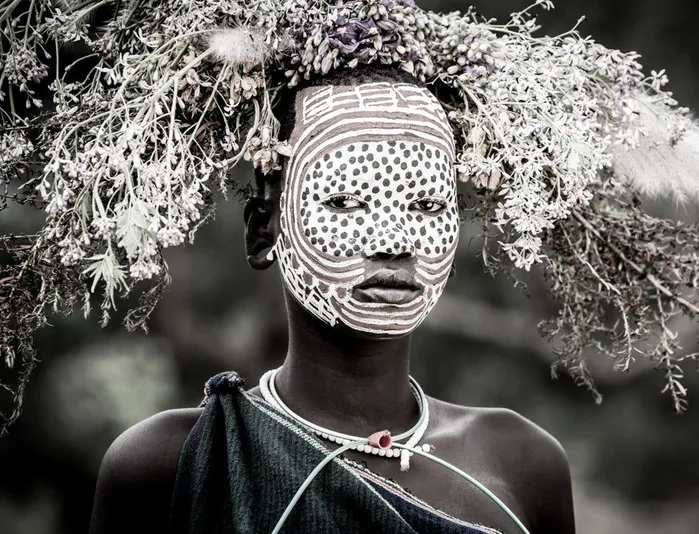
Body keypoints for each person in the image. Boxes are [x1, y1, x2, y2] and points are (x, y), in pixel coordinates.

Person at [88, 68, 576, 534]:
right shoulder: (170, 462)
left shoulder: (522, 462)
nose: (395, 239)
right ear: (264, 231)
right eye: (345, 202)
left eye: (426, 205)